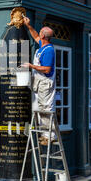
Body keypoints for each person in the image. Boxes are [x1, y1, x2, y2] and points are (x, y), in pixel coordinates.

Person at [22, 17, 56, 145]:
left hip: (45, 83)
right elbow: (35, 36)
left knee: (45, 108)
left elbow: (47, 69)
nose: (38, 33)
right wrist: (28, 26)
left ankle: (49, 136)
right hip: (39, 83)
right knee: (39, 108)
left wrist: (32, 66)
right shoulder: (43, 45)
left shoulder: (49, 51)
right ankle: (44, 134)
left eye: (40, 31)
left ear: (44, 35)